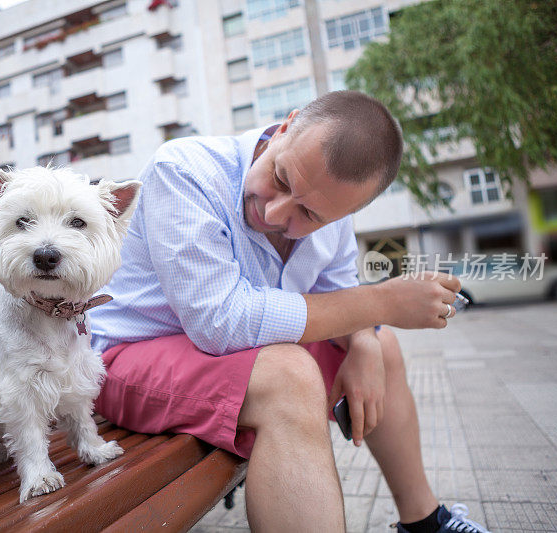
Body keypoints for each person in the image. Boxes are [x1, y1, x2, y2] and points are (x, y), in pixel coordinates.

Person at [89, 91, 489, 533]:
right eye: (280, 177)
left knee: (382, 347)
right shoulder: (185, 170)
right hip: (123, 361)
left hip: (221, 359)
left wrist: (365, 340)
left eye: (309, 214)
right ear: (287, 124)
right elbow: (221, 322)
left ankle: (425, 522)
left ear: (347, 211)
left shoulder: (336, 218)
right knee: (288, 375)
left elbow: (337, 293)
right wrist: (384, 302)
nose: (274, 211)